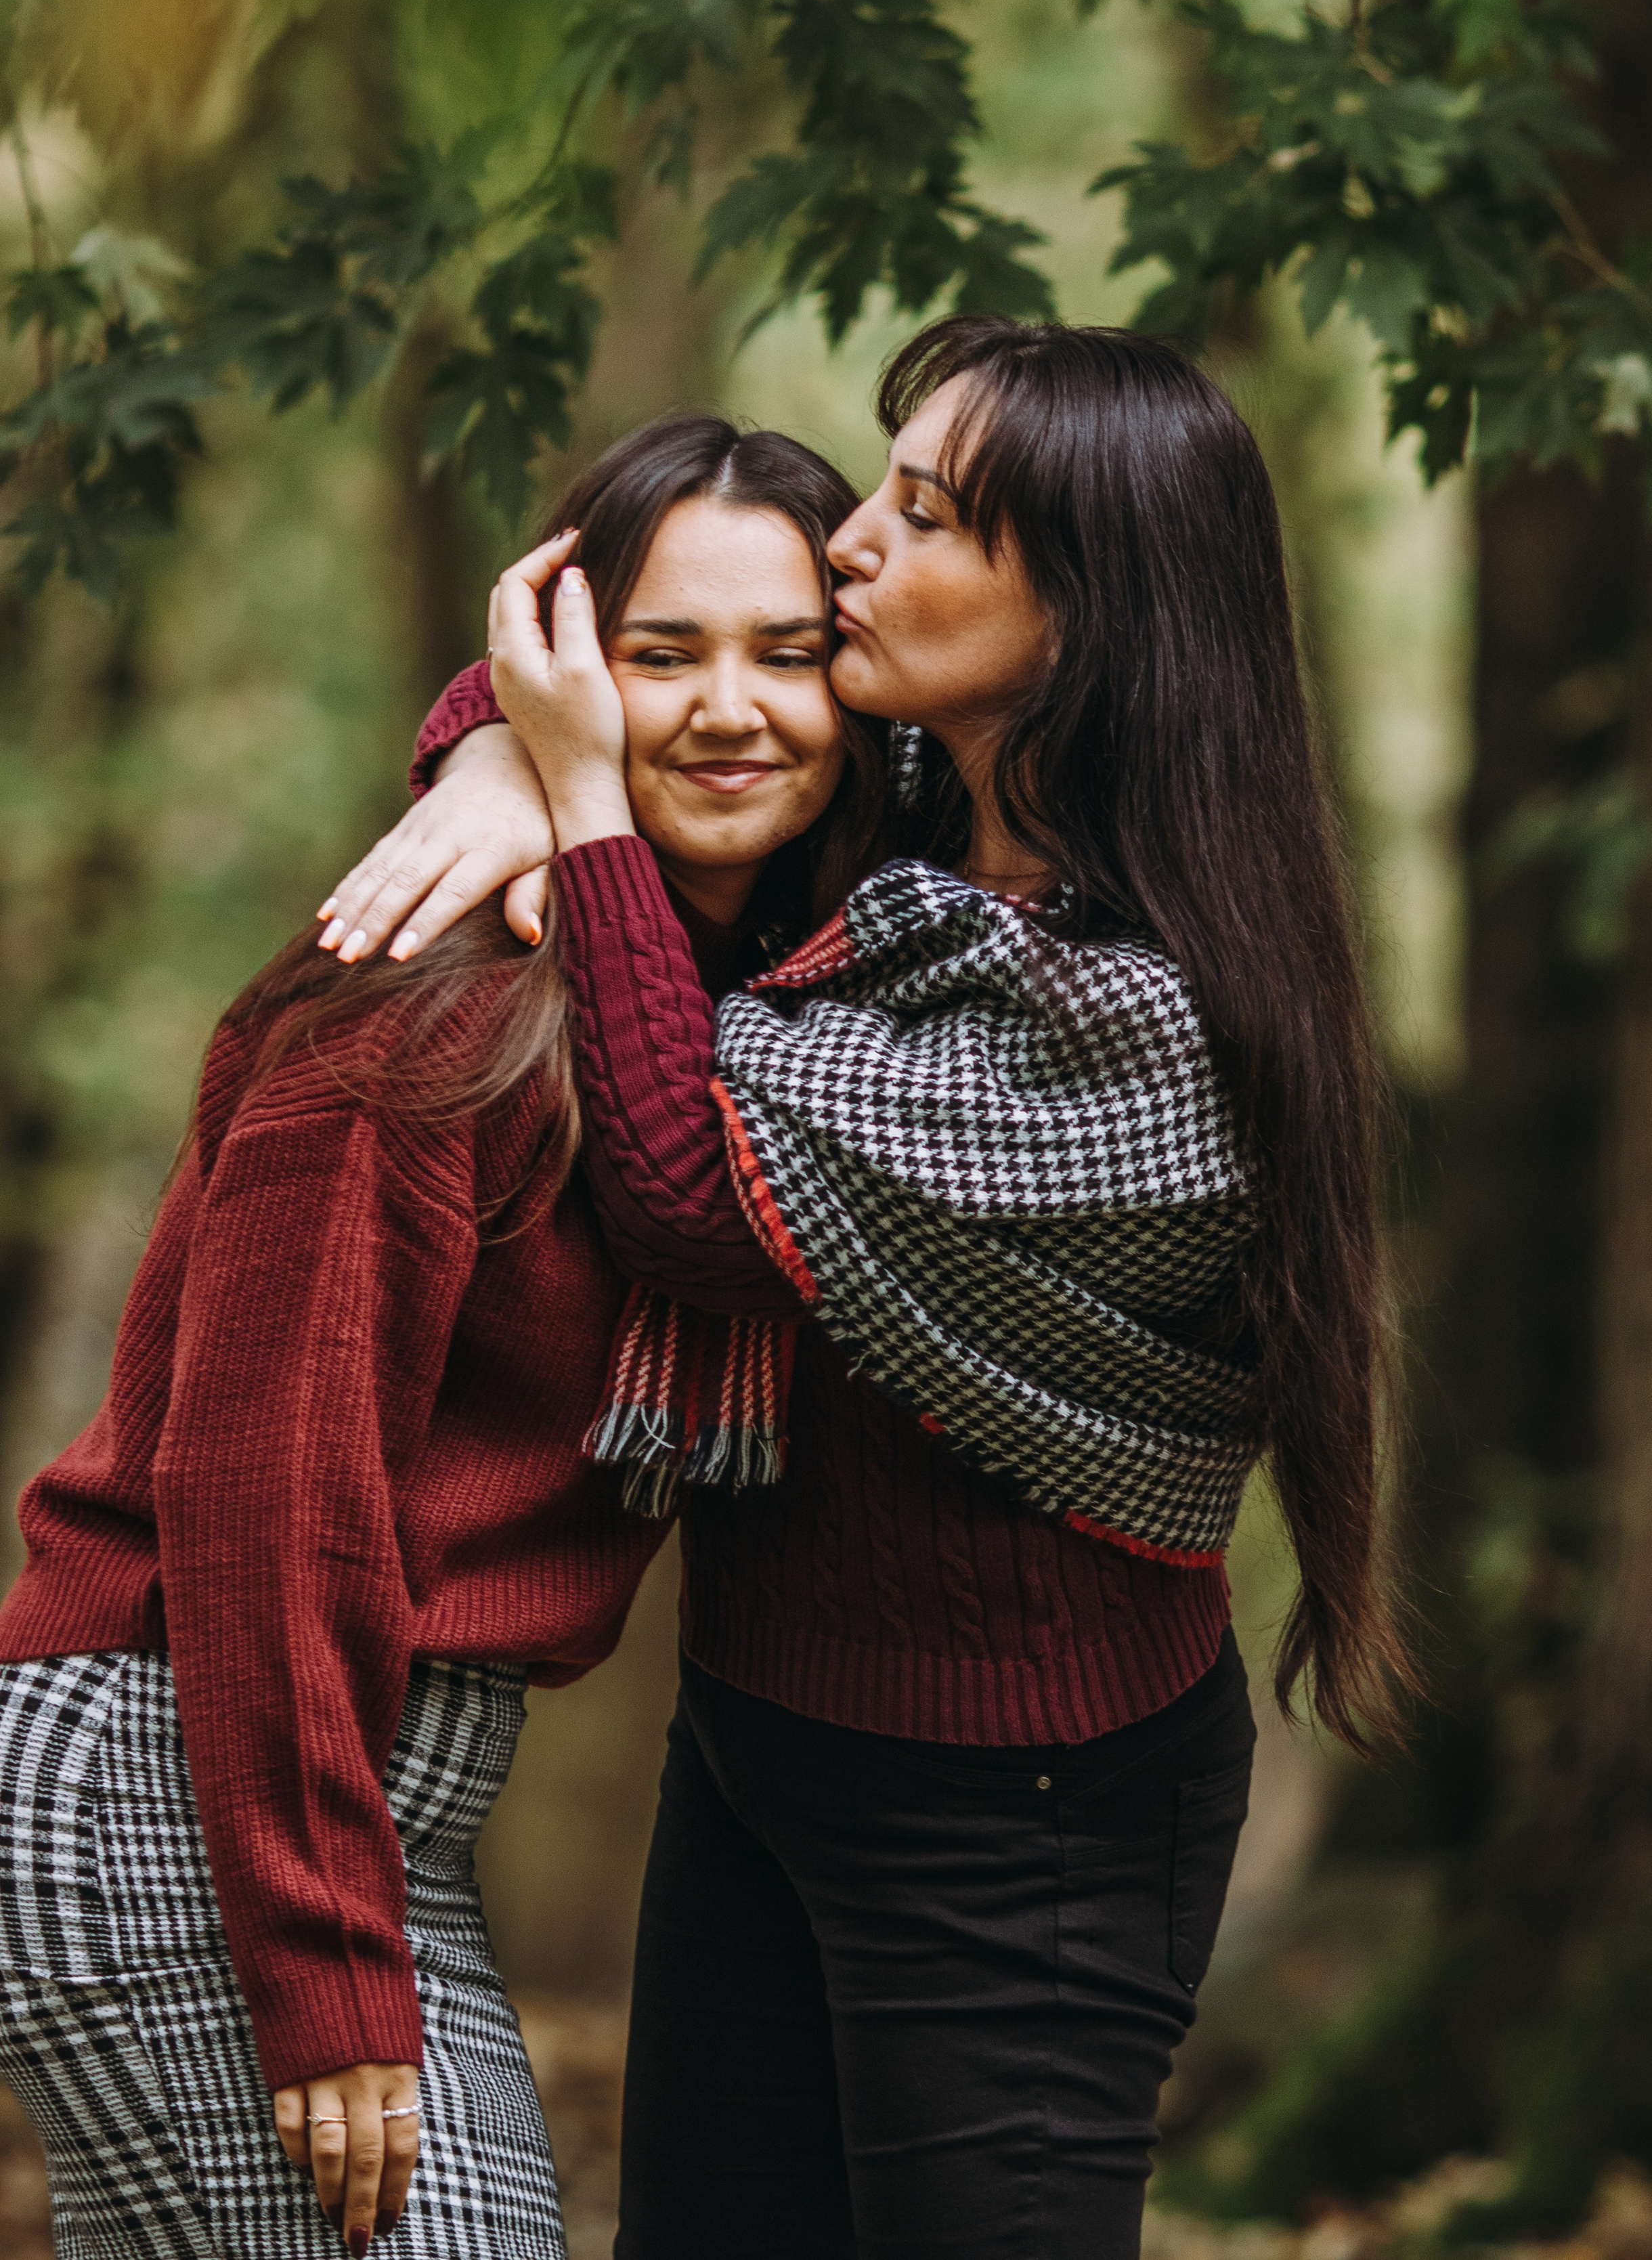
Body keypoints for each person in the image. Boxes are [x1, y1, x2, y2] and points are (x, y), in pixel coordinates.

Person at [319, 318, 1410, 2259]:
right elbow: (656, 708)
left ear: (1083, 605)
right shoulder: (888, 823)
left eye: (925, 514)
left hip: (1024, 1810)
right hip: (756, 1734)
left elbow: (688, 1202)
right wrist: (498, 752)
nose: (852, 548)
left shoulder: (1136, 1005)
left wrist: (572, 819)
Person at [0, 414, 877, 2260]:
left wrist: (492, 749)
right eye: (659, 655)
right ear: (572, 679)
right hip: (190, 1771)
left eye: (790, 654)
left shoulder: (744, 1008)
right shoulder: (438, 1011)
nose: (733, 709)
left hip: (327, 1792)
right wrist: (324, 1973)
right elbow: (265, 1495)